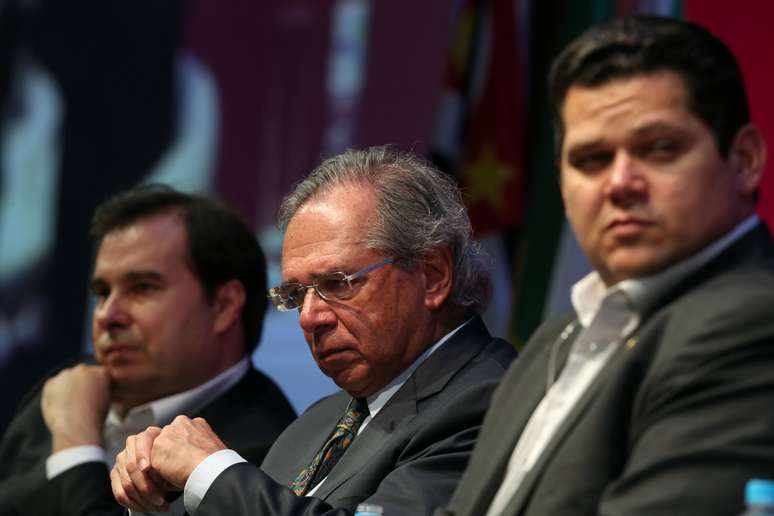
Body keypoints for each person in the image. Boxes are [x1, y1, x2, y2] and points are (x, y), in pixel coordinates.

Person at [437, 14, 774, 516]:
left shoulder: (753, 324)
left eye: (659, 149)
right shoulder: (553, 340)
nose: (619, 182)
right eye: (591, 159)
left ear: (745, 159)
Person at [110, 146, 518, 515]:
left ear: (432, 276)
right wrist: (156, 504)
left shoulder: (494, 401)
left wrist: (213, 474)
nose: (309, 317)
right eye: (294, 294)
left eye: (338, 283)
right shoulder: (317, 421)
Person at [0, 185, 297, 515]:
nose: (107, 316)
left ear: (224, 306)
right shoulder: (68, 386)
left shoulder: (264, 454)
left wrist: (76, 446)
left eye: (142, 288)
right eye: (102, 292)